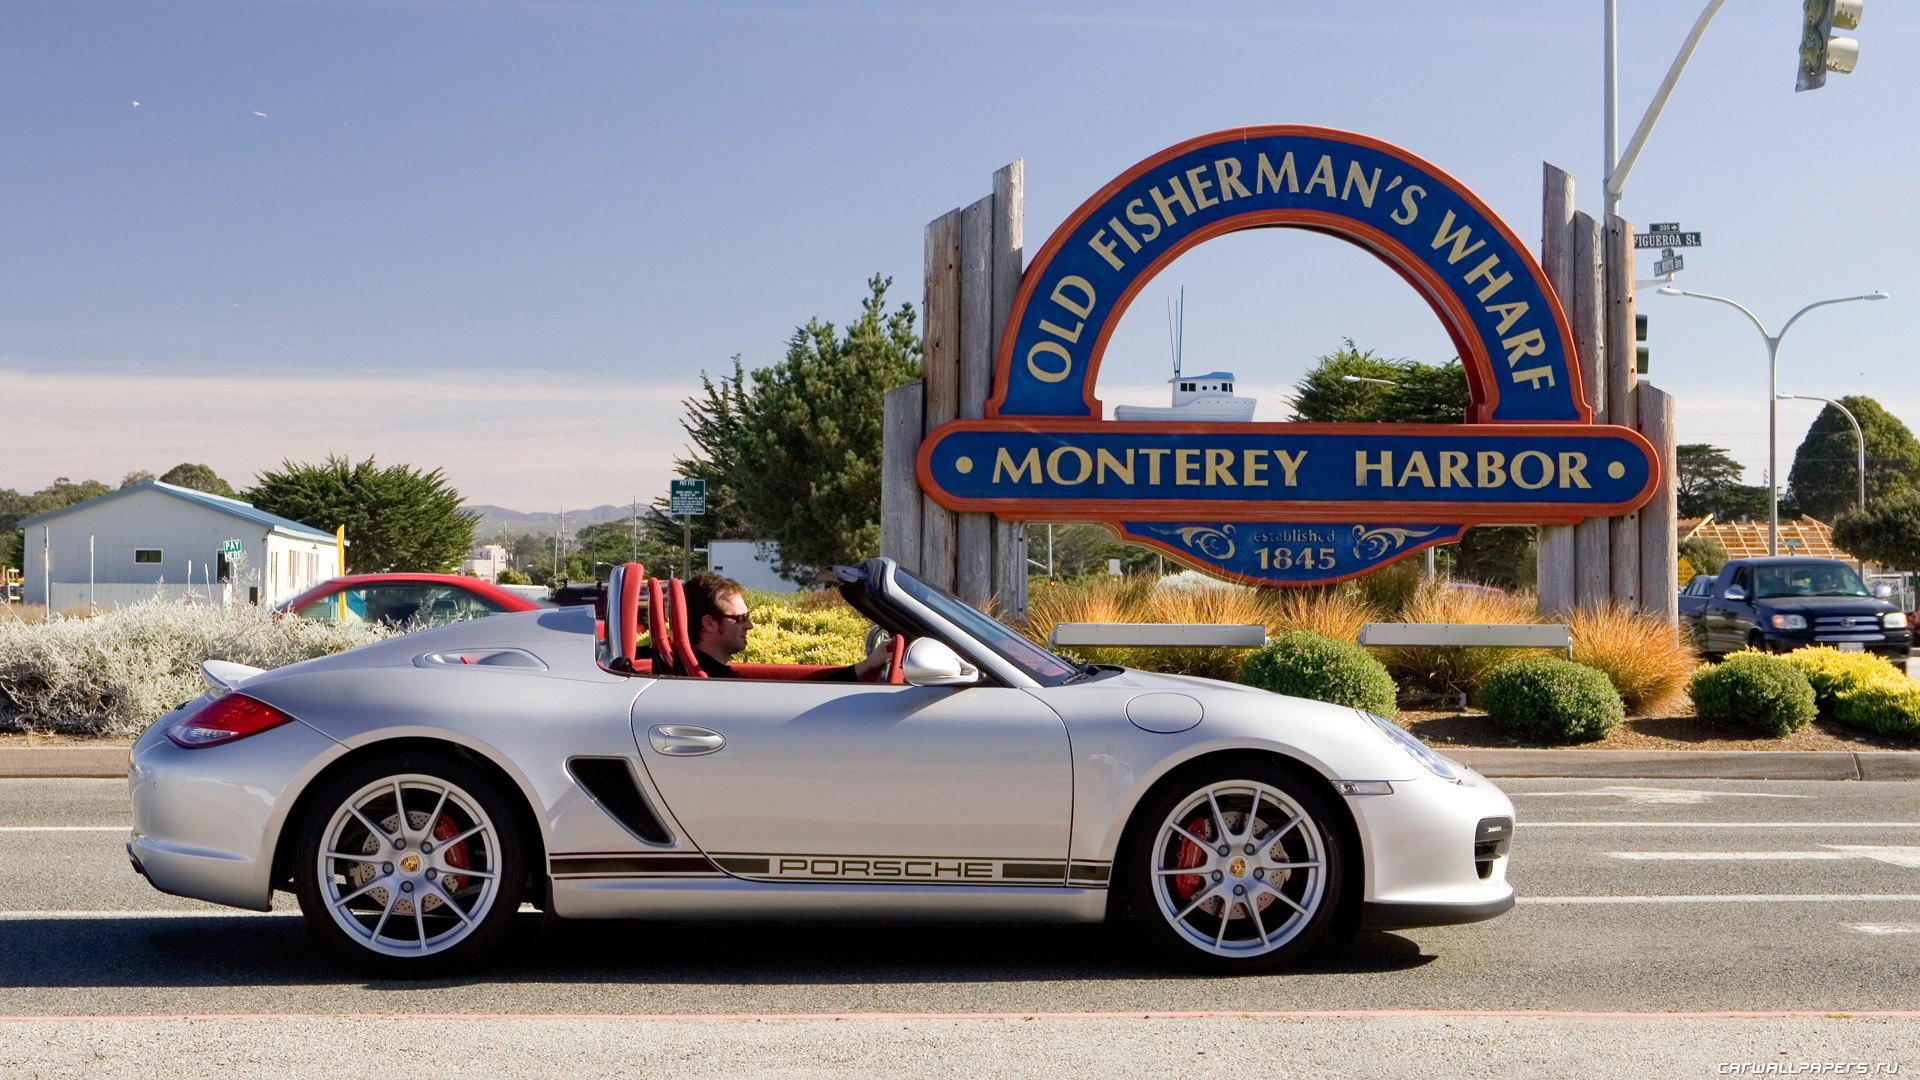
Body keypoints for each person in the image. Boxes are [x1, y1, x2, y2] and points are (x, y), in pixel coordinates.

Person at [680, 571, 892, 681]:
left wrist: (866, 666)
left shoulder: (704, 676)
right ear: (709, 623)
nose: (750, 626)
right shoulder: (717, 684)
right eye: (741, 618)